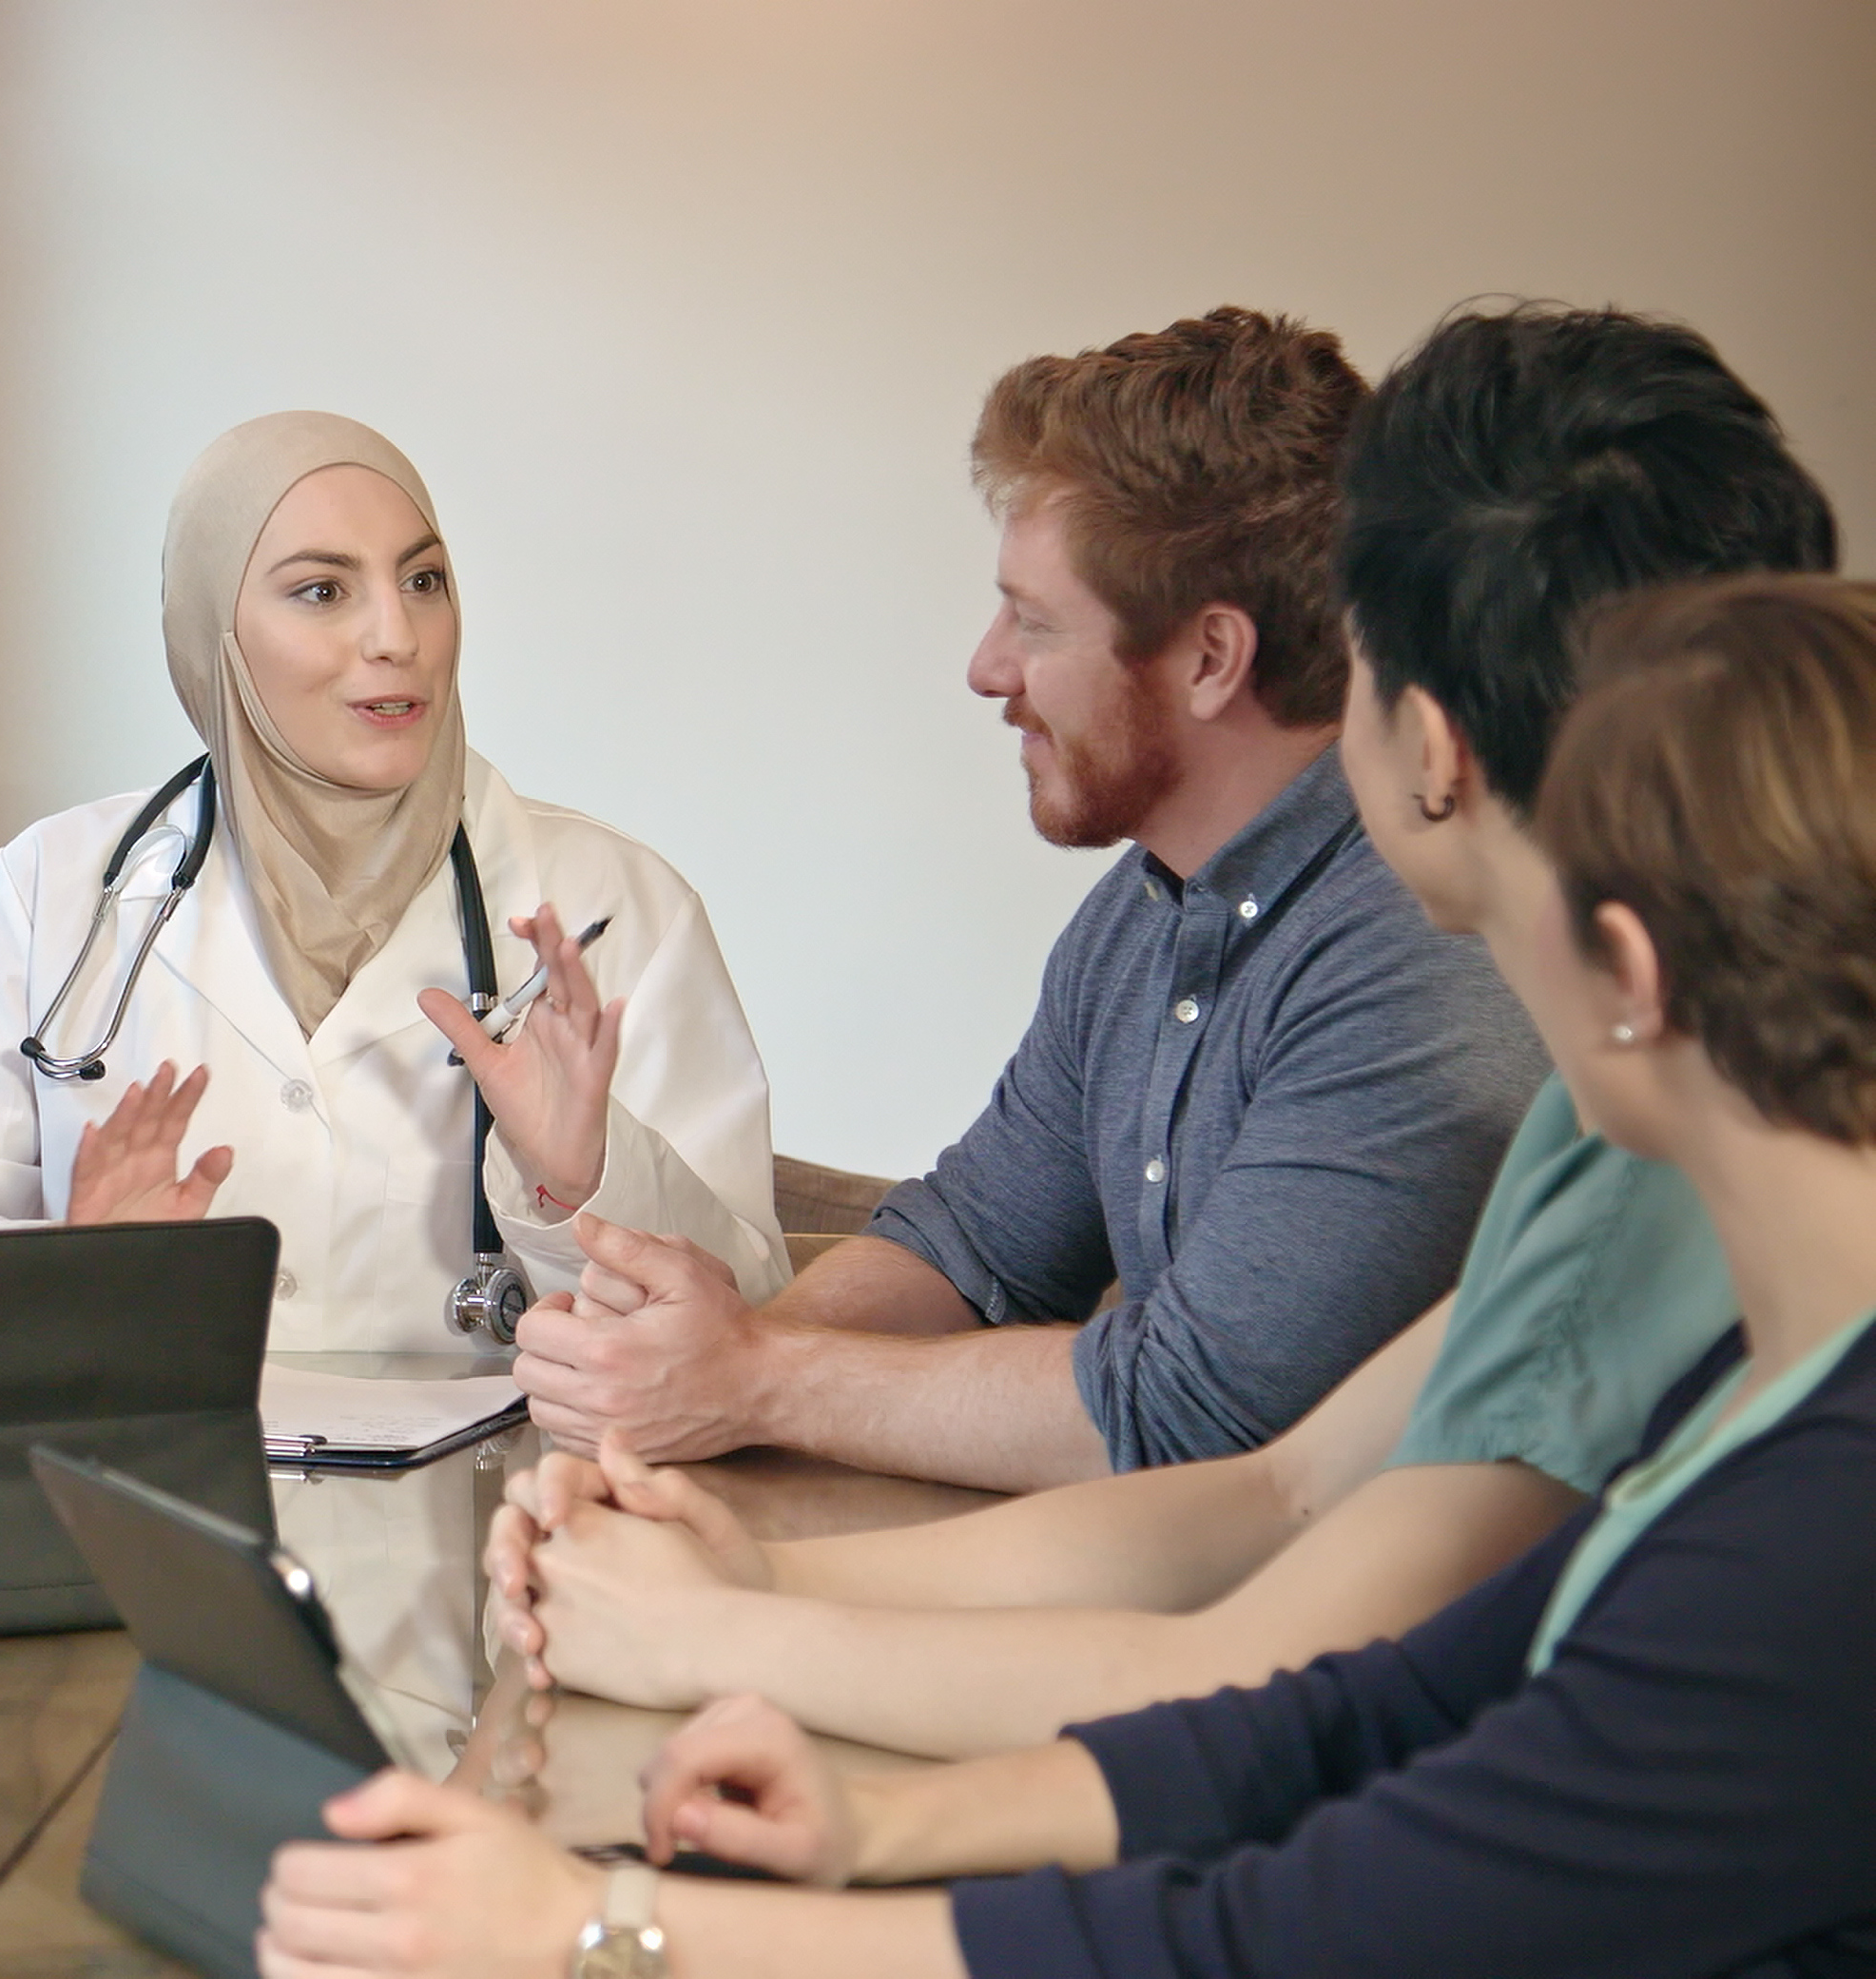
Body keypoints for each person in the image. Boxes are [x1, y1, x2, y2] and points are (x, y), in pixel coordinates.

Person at [259, 571, 1876, 1979]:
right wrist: (881, 1808)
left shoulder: (1818, 1541)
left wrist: (589, 1934)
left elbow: (1288, 1933)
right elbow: (1365, 1714)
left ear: (1631, 980)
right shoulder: (1740, 1388)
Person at [487, 304, 1841, 1757]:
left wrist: (743, 1441)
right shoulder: (1208, 936)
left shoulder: (1465, 1010)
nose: (986, 667)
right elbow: (1188, 1419)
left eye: (1035, 617)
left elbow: (1216, 1461)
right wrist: (722, 1471)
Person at [512, 309, 1549, 1490]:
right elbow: (971, 1246)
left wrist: (753, 1375)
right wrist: (701, 1359)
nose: (985, 666)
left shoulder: (1416, 961)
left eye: (1035, 621)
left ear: (1211, 658)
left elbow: (1191, 1416)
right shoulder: (1141, 912)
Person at [0, 411, 785, 1350]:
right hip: (150, 1488)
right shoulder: (56, 886)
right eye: (323, 590)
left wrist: (586, 1178)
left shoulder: (614, 910)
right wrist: (78, 1276)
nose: (395, 634)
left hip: (517, 1497)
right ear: (216, 633)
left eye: (423, 580)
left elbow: (755, 1320)